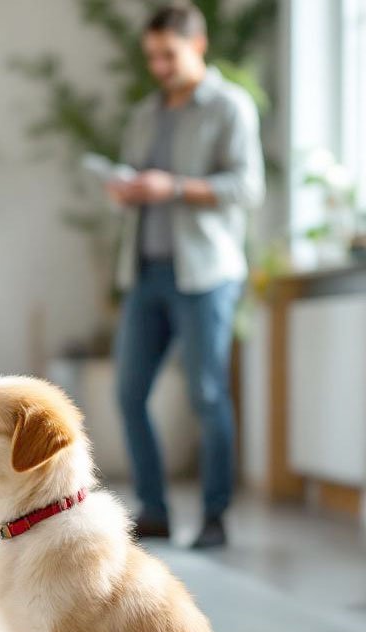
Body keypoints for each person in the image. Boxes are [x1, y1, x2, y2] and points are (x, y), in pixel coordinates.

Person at [107, 1, 264, 549]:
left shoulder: (230, 107)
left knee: (207, 394)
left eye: (168, 54)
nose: (159, 66)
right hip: (145, 271)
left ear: (197, 45)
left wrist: (171, 186)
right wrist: (128, 190)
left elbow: (246, 188)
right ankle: (154, 509)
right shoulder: (145, 113)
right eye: (151, 56)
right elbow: (139, 182)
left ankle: (215, 513)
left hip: (206, 275)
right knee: (128, 393)